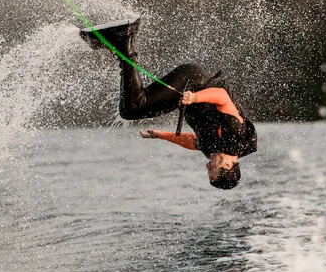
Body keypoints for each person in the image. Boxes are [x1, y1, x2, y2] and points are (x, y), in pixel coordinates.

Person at [80, 18, 257, 189]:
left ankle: (119, 43)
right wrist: (195, 98)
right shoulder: (237, 136)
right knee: (133, 109)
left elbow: (193, 142)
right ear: (226, 166)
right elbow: (222, 96)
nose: (207, 167)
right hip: (193, 82)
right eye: (212, 169)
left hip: (187, 94)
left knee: (133, 108)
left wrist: (161, 135)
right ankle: (124, 38)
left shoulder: (215, 151)